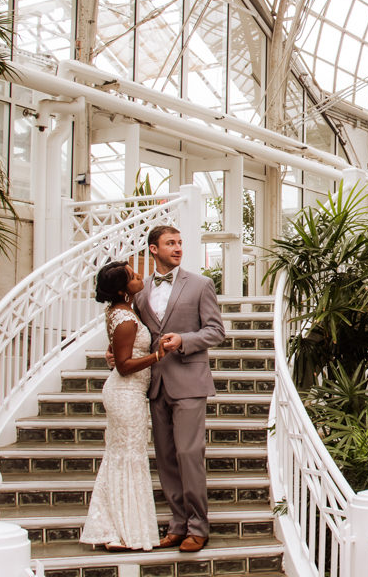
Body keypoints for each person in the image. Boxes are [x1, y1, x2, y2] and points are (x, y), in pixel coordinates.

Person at [132, 225, 225, 553]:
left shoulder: (201, 285)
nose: (178, 248)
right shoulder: (140, 291)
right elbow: (140, 333)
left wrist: (185, 340)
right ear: (153, 249)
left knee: (188, 455)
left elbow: (216, 331)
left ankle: (199, 526)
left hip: (189, 382)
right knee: (167, 458)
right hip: (156, 383)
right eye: (170, 243)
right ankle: (177, 524)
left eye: (180, 243)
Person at [80, 261, 163, 552]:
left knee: (121, 458)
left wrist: (114, 352)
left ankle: (113, 530)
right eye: (132, 275)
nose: (139, 275)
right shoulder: (125, 318)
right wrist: (157, 356)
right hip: (126, 392)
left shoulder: (119, 311)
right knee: (129, 457)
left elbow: (119, 353)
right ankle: (122, 532)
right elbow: (126, 366)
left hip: (126, 392)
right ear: (121, 289)